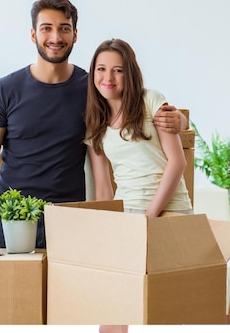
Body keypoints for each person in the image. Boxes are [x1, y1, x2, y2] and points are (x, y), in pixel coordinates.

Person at [0, 0, 186, 253]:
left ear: (75, 35)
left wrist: (180, 120)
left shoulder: (94, 89)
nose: (56, 38)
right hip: (11, 215)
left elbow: (135, 104)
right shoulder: (5, 90)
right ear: (33, 35)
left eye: (64, 29)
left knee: (69, 293)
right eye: (47, 29)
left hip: (69, 218)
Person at [85, 39, 193, 333]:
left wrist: (150, 215)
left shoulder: (150, 101)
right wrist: (104, 229)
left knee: (165, 307)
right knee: (113, 304)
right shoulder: (95, 121)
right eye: (101, 69)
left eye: (117, 70)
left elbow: (177, 163)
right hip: (127, 214)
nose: (108, 78)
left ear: (130, 73)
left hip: (169, 211)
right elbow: (104, 189)